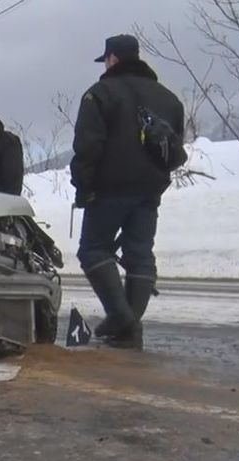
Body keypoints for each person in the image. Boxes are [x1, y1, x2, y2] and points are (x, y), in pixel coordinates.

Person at [70, 34, 184, 350]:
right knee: (139, 254)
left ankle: (122, 318)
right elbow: (175, 147)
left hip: (109, 189)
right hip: (150, 190)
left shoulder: (100, 94)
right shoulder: (168, 98)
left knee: (93, 250)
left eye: (105, 59)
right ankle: (129, 328)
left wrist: (84, 187)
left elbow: (88, 146)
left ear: (113, 59)